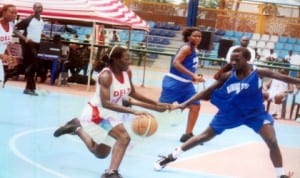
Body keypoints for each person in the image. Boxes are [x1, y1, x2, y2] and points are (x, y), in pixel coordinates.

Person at [154, 47, 299, 178]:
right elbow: (207, 90)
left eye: (237, 60)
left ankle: (281, 176)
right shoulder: (228, 76)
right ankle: (170, 156)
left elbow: (283, 77)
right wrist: (184, 104)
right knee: (204, 137)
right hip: (230, 112)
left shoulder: (258, 72)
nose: (234, 63)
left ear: (247, 59)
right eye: (232, 60)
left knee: (272, 141)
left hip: (255, 113)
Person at [53, 46, 170, 178]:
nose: (129, 62)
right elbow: (106, 103)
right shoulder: (106, 76)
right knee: (124, 137)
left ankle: (76, 128)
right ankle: (111, 173)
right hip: (97, 114)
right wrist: (133, 111)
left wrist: (155, 103)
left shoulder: (127, 72)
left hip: (111, 114)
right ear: (116, 60)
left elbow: (133, 93)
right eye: (126, 59)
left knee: (100, 153)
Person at [159, 27, 205, 142]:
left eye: (199, 36)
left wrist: (195, 78)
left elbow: (188, 67)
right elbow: (176, 63)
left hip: (186, 85)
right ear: (189, 37)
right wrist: (193, 75)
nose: (198, 38)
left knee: (196, 106)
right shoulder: (186, 48)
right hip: (174, 83)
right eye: (195, 36)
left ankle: (188, 134)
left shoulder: (195, 50)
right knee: (160, 108)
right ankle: (133, 102)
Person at [14, 2, 47, 96]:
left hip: (37, 45)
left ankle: (30, 88)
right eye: (37, 7)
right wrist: (25, 38)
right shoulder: (29, 19)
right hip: (29, 45)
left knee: (33, 67)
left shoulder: (41, 20)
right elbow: (15, 29)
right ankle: (29, 88)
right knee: (32, 65)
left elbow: (36, 30)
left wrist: (43, 35)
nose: (39, 9)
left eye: (41, 7)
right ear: (33, 8)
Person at [0, 4, 18, 87]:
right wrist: (1, 55)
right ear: (3, 12)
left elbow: (6, 43)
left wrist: (10, 56)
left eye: (15, 13)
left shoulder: (11, 26)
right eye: (12, 12)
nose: (14, 15)